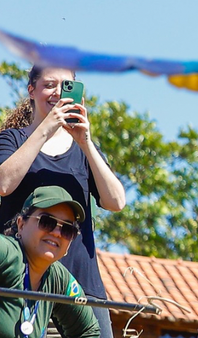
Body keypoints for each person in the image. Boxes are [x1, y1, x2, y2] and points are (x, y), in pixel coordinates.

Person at [0, 65, 126, 337]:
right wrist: (46, 129)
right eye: (49, 85)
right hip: (21, 283)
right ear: (31, 90)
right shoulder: (12, 139)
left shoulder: (83, 151)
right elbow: (3, 184)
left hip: (81, 285)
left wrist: (86, 142)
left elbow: (116, 201)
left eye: (66, 86)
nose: (57, 92)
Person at [0, 186, 100, 337]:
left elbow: (88, 331)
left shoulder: (60, 279)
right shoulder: (7, 253)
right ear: (21, 225)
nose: (57, 233)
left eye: (67, 229)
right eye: (46, 222)